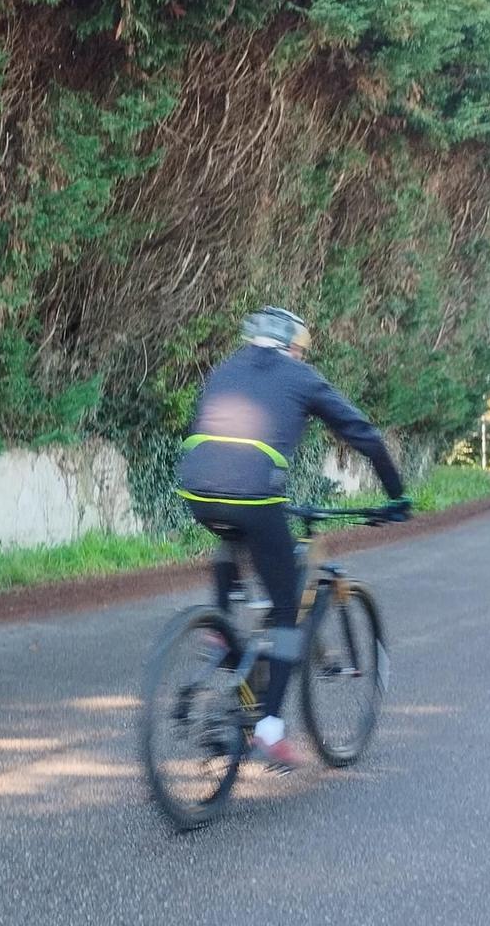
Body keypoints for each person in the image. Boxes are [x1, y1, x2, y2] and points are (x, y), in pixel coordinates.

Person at [174, 306, 410, 767]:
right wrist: (396, 495)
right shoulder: (301, 377)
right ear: (293, 345)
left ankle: (221, 629)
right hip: (257, 495)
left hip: (197, 489)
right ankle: (269, 729)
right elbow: (362, 433)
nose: (302, 355)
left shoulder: (225, 368)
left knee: (232, 529)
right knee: (287, 611)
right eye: (301, 348)